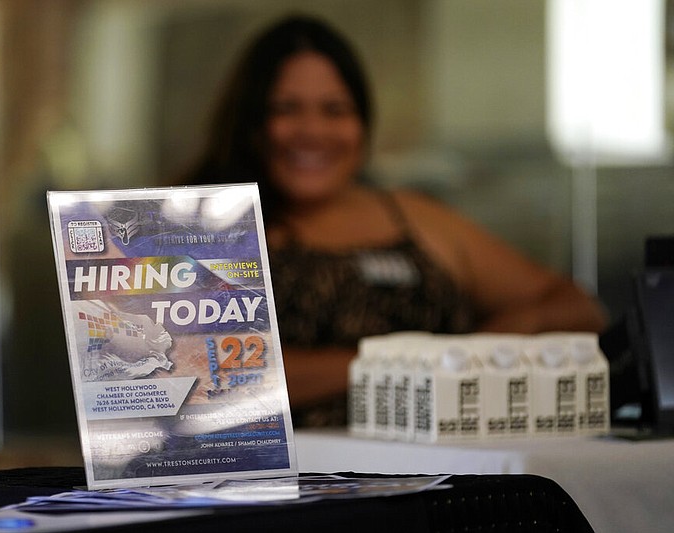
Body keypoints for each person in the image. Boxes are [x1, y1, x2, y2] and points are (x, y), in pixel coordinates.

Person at [175, 14, 608, 426]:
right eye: (287, 109)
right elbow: (182, 375)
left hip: (442, 478)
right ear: (250, 123)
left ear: (363, 124)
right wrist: (405, 363)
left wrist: (492, 340)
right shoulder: (198, 227)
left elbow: (577, 307)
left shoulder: (414, 217)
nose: (313, 130)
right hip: (284, 486)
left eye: (335, 110)